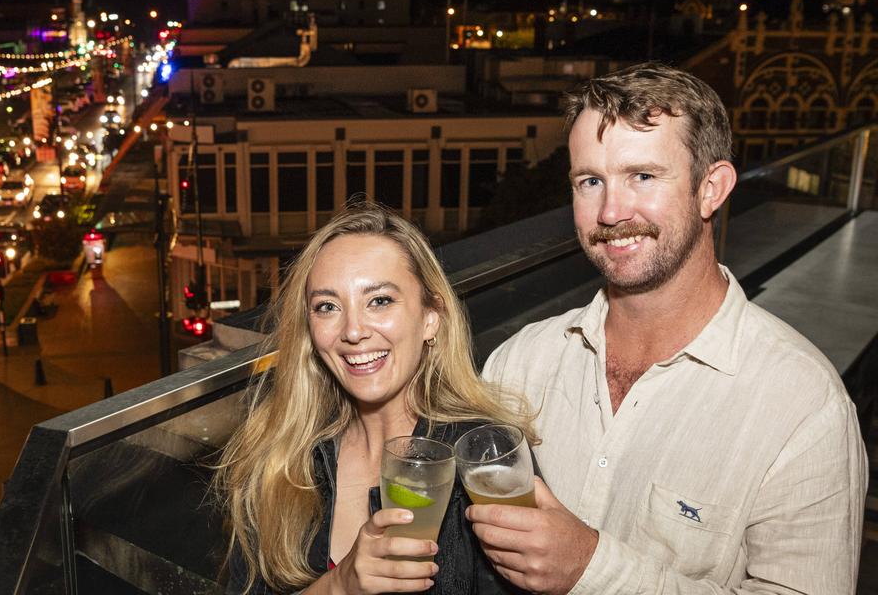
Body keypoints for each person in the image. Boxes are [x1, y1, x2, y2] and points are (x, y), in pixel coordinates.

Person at [474, 62, 867, 594]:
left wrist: (593, 569)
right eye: (590, 181)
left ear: (712, 188)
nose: (611, 211)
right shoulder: (518, 363)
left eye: (643, 176)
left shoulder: (803, 405)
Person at [216, 200, 532, 595]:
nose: (352, 331)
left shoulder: (483, 458)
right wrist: (339, 586)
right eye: (327, 307)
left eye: (379, 300)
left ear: (430, 317)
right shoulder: (283, 457)